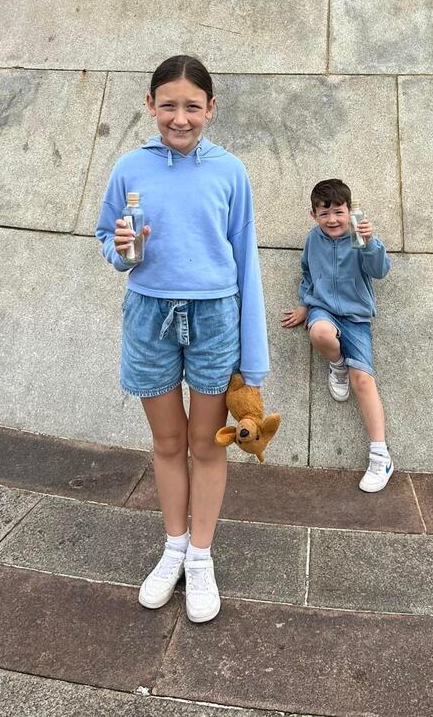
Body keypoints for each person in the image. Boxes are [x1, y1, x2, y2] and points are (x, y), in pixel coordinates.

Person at [95, 55, 268, 623]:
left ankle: (200, 555)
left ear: (211, 109)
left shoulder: (230, 172)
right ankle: (172, 547)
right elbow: (109, 239)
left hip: (217, 314)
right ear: (149, 105)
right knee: (167, 444)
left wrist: (255, 354)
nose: (180, 117)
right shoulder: (129, 169)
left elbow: (245, 259)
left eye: (193, 106)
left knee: (207, 444)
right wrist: (123, 249)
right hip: (149, 314)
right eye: (168, 104)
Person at [281, 178, 393, 492]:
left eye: (339, 212)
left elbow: (380, 269)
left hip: (356, 316)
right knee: (319, 332)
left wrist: (370, 243)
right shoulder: (312, 239)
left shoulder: (359, 237)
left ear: (349, 211)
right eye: (325, 213)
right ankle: (337, 363)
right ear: (314, 215)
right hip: (324, 310)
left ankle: (380, 455)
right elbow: (307, 272)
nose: (332, 220)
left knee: (364, 381)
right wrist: (305, 305)